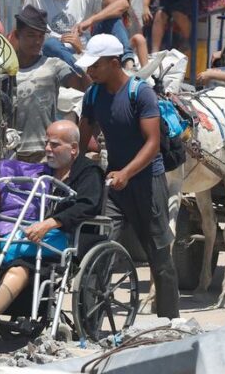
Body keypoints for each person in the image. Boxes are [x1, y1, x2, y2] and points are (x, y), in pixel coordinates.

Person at [0, 120, 104, 347]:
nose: (47, 149)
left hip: (62, 241)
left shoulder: (89, 172)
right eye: (46, 144)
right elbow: (19, 205)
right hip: (26, 236)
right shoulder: (40, 172)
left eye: (54, 145)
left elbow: (87, 205)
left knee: (20, 267)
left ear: (73, 148)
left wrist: (50, 223)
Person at [77, 34, 180, 318]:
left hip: (147, 182)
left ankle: (171, 321)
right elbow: (83, 138)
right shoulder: (93, 94)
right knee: (101, 246)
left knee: (159, 254)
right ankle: (93, 320)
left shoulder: (140, 93)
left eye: (95, 66)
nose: (90, 71)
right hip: (115, 184)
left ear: (113, 63)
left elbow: (152, 143)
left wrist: (127, 172)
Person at [11, 5, 87, 162]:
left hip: (46, 153)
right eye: (31, 35)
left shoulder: (54, 66)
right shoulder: (6, 69)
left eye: (41, 36)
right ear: (18, 35)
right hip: (12, 152)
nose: (37, 41)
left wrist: (82, 53)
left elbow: (86, 86)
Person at [102, 0, 149, 66]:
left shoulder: (129, 16)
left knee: (139, 38)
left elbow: (135, 35)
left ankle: (146, 70)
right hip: (107, 51)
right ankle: (129, 64)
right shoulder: (101, 17)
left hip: (124, 50)